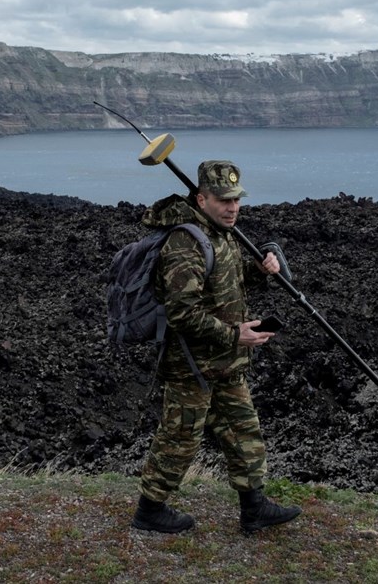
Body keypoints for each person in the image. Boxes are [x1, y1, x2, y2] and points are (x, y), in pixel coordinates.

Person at [130, 159, 302, 534]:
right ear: (201, 198)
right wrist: (234, 335)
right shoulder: (185, 243)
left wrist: (259, 272)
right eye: (224, 200)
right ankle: (149, 511)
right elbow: (182, 314)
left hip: (226, 364)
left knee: (243, 431)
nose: (233, 207)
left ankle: (254, 508)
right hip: (192, 367)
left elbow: (229, 287)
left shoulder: (223, 235)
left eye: (236, 199)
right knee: (180, 439)